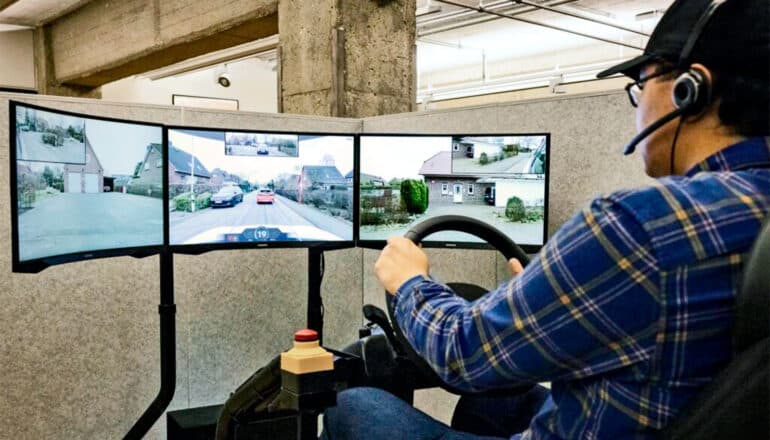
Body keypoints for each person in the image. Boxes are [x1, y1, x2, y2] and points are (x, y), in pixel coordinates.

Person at [321, 0, 770, 439]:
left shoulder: (636, 227)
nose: (636, 104)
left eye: (640, 81)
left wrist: (410, 283)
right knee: (497, 400)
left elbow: (463, 352)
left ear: (691, 89)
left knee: (353, 405)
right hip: (657, 408)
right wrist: (539, 293)